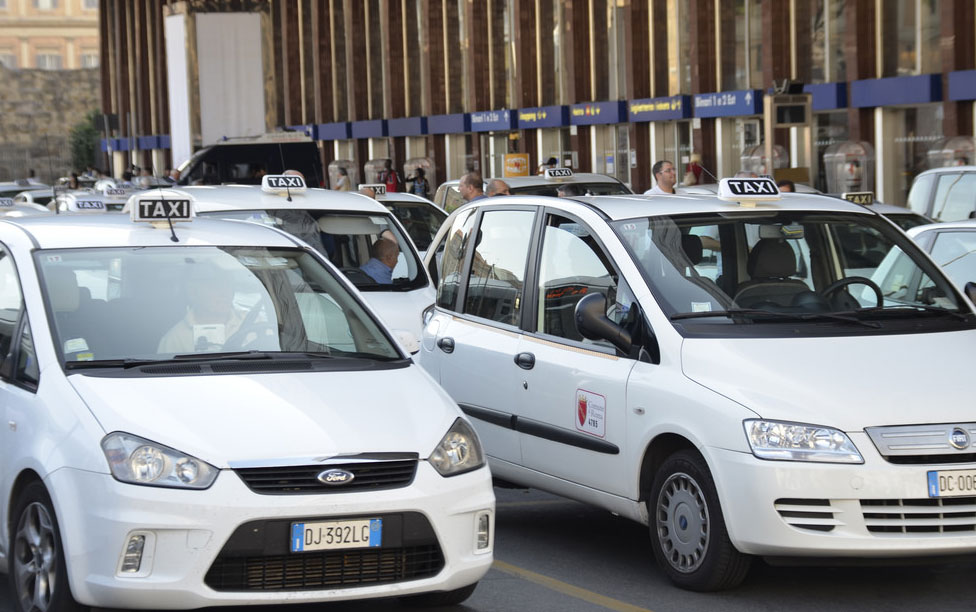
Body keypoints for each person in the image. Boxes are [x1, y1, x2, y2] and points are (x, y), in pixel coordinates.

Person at [158, 269, 246, 353]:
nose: (224, 293)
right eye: (215, 287)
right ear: (193, 292)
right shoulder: (175, 339)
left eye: (228, 286)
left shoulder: (254, 322)